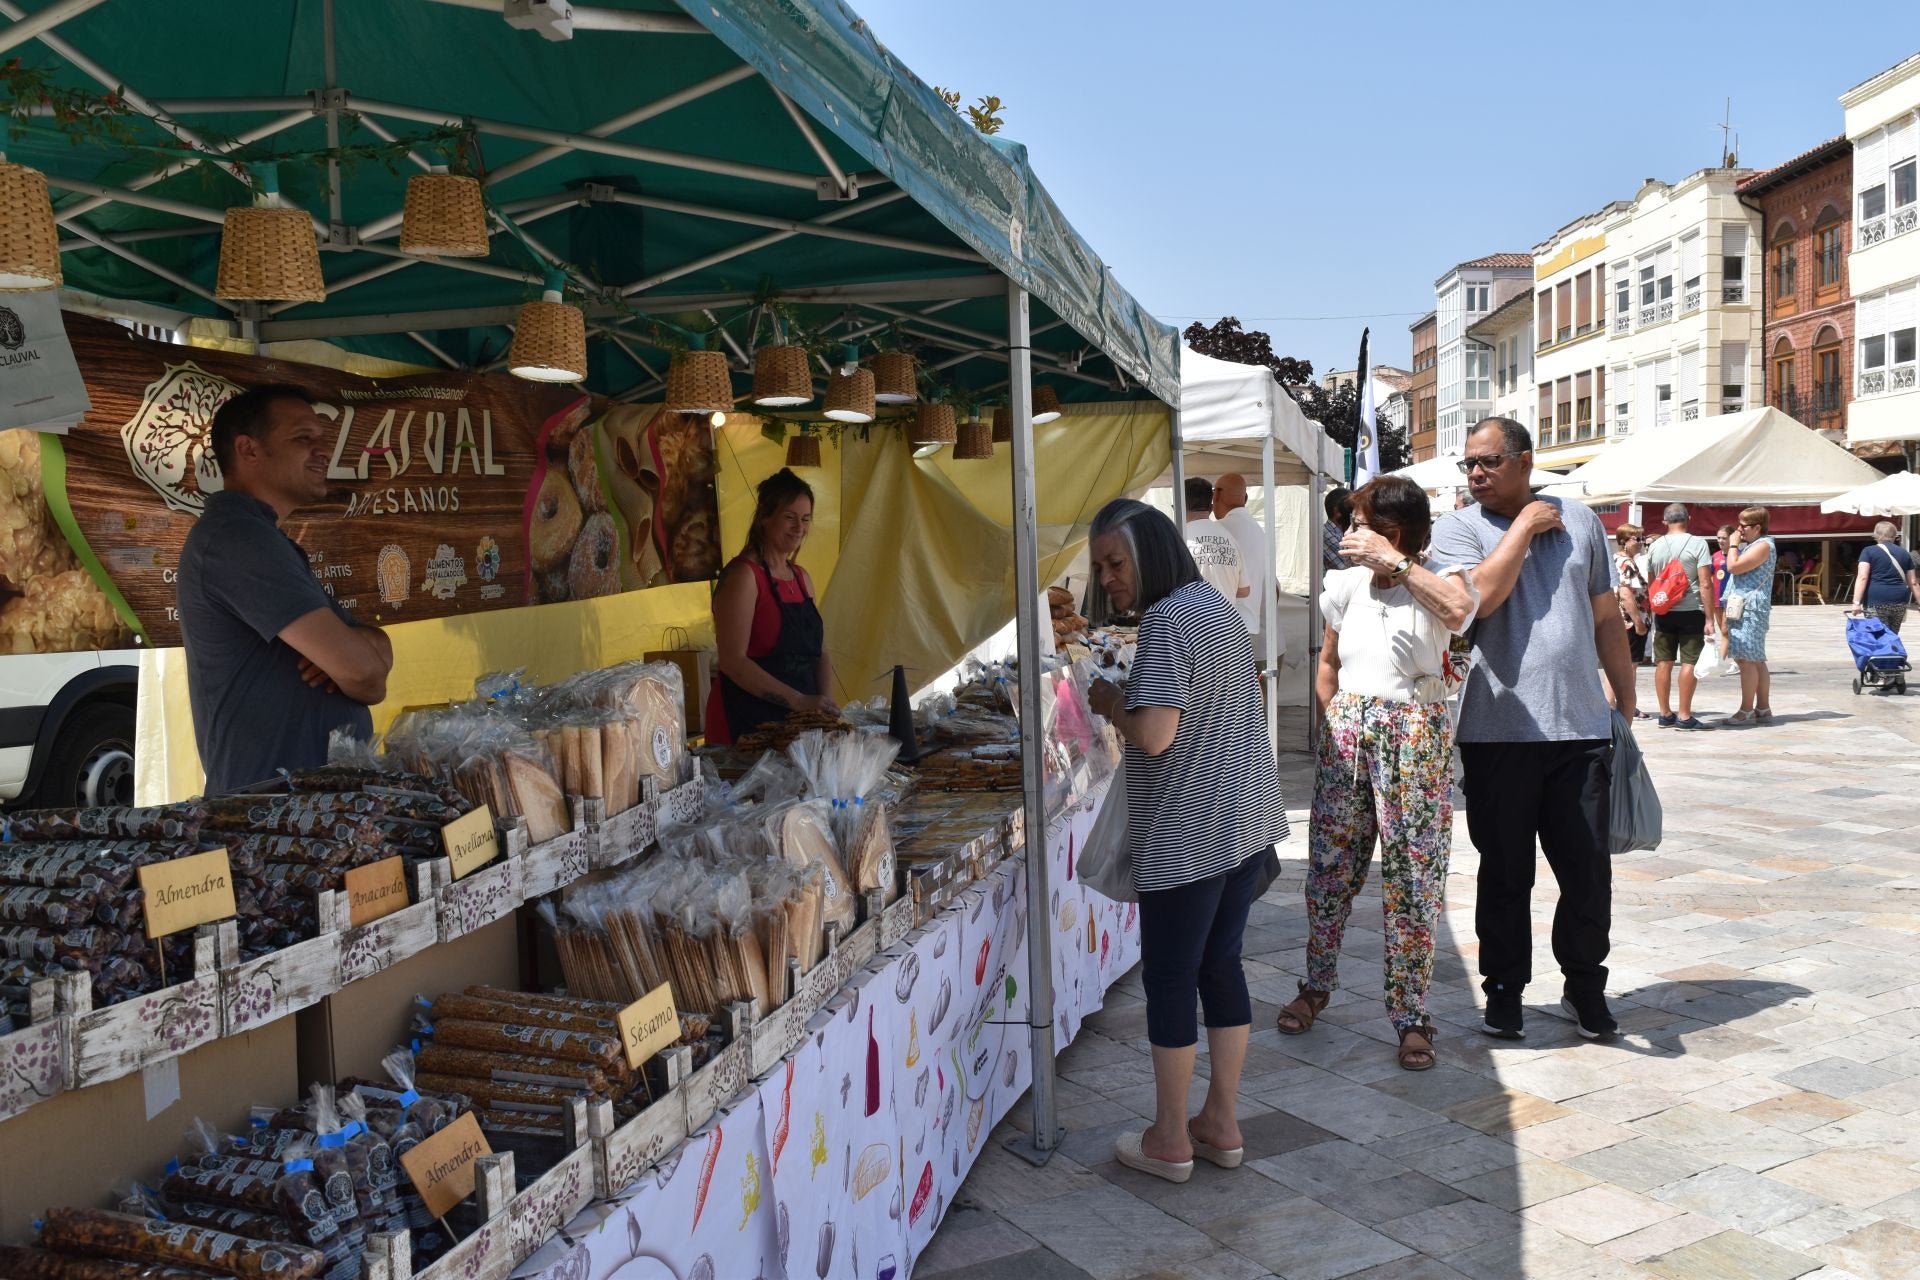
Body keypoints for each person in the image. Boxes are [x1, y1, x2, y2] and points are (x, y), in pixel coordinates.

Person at [1083, 499, 1288, 1184]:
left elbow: (1156, 734)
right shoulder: (1211, 605)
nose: (1108, 578)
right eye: (1101, 567)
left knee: (1173, 979)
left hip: (1189, 833)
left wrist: (1110, 701)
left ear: (1151, 552)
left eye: (1116, 563)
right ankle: (1220, 1123)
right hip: (1242, 822)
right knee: (1219, 967)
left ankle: (1170, 1137)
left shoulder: (1168, 621)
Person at [1429, 418, 1635, 1042]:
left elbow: (1605, 617)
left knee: (1586, 868)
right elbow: (1478, 603)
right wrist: (1520, 529)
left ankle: (1583, 985)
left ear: (1525, 462)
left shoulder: (1582, 523)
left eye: (1488, 462)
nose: (1475, 474)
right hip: (1496, 729)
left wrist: (1624, 700)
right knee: (1506, 869)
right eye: (1469, 464)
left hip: (1578, 726)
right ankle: (1505, 991)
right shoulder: (1458, 528)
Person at [1276, 476, 1474, 1071]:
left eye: (1360, 523)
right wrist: (1331, 724)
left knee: (1414, 877)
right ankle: (1316, 984)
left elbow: (1461, 614)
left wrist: (1400, 564)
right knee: (1330, 870)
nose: (1348, 533)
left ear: (1393, 533)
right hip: (1349, 731)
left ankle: (1411, 1014)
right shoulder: (1344, 585)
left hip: (1414, 731)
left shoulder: (1443, 578)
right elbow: (1329, 662)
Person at [176, 385, 394, 794]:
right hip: (272, 815)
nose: (322, 451)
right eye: (302, 439)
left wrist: (356, 647)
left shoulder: (264, 538)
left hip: (303, 809)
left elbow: (378, 649)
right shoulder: (237, 538)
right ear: (249, 450)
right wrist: (351, 657)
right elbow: (367, 676)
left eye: (321, 440)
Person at [705, 468, 838, 745]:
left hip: (798, 726)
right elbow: (733, 661)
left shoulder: (802, 578)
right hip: (747, 724)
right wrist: (799, 700)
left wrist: (825, 709)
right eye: (789, 517)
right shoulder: (744, 576)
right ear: (765, 518)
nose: (799, 528)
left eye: (805, 519)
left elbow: (821, 652)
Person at [1644, 504, 1717, 730]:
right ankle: (1684, 715)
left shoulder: (1655, 546)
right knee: (1689, 662)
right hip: (1691, 609)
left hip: (1664, 611)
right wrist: (1710, 618)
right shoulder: (1698, 543)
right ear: (1689, 518)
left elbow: (1652, 582)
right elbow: (1705, 582)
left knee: (1663, 662)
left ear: (1665, 522)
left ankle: (1665, 714)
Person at [1211, 473, 1283, 665]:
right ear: (1245, 499)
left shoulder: (1216, 533)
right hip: (1269, 641)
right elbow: (1275, 588)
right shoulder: (1260, 532)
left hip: (1238, 645)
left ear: (1216, 495)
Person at [1723, 507, 1778, 725]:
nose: (1739, 529)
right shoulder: (1758, 545)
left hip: (1750, 608)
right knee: (1755, 659)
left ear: (1757, 527)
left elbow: (1733, 567)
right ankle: (1762, 707)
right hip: (1747, 607)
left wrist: (1733, 545)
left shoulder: (1763, 545)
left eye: (1744, 526)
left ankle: (1746, 710)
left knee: (1746, 659)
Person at [1181, 477, 1250, 611]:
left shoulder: (1178, 539)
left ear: (1179, 506)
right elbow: (1244, 590)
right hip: (1226, 625)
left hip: (1192, 625)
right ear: (1211, 507)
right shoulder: (1231, 540)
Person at [1852, 522, 1919, 634]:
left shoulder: (1868, 551)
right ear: (1895, 536)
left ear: (1876, 535)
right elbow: (1913, 582)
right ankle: (1892, 651)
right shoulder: (1905, 553)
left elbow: (1862, 577)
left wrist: (1856, 602)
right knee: (1892, 636)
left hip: (1876, 600)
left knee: (1878, 637)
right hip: (1900, 600)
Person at [1613, 525, 1651, 666]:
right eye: (1637, 539)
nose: (1641, 542)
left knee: (1618, 667)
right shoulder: (1627, 563)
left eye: (1643, 538)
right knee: (1630, 666)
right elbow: (1626, 594)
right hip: (1629, 622)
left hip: (1619, 621)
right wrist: (1638, 622)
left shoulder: (1616, 559)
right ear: (1624, 541)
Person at [1321, 486, 1352, 575]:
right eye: (1350, 508)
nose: (1353, 513)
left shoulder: (1338, 532)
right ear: (1337, 511)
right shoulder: (1327, 533)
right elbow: (1349, 569)